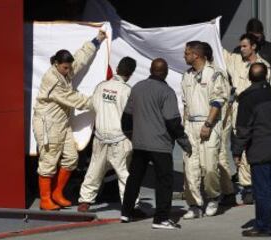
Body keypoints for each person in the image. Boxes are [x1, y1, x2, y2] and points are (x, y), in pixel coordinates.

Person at [32, 28, 107, 210]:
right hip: (48, 124)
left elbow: (79, 59)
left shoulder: (64, 71)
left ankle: (57, 193)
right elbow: (74, 99)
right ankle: (45, 199)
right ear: (56, 64)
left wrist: (96, 41)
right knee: (49, 161)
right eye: (65, 67)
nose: (68, 71)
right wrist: (98, 102)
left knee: (72, 158)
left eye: (68, 67)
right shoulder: (54, 80)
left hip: (62, 123)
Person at [120, 58, 192, 230]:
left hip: (140, 143)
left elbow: (126, 118)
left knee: (134, 178)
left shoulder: (137, 88)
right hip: (160, 144)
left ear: (151, 70)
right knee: (164, 181)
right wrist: (184, 142)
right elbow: (172, 121)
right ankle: (161, 219)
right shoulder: (166, 92)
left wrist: (132, 136)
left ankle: (126, 212)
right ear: (165, 72)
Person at [232, 63, 271, 237]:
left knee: (261, 190)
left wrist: (237, 152)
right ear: (266, 76)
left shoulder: (247, 98)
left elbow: (242, 129)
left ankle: (263, 227)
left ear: (250, 78)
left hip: (260, 150)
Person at [77, 57, 136, 212]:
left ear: (117, 69)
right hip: (120, 138)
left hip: (101, 136)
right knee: (124, 174)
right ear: (130, 74)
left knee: (94, 170)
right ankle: (131, 206)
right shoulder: (127, 90)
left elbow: (92, 105)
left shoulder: (101, 86)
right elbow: (132, 116)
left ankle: (85, 201)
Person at [224, 33, 271, 204]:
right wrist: (208, 29)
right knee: (241, 148)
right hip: (238, 109)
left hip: (256, 110)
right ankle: (247, 187)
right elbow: (219, 52)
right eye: (241, 46)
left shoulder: (263, 66)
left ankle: (256, 184)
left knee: (255, 147)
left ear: (253, 47)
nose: (241, 49)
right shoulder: (235, 60)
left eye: (245, 46)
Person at [182, 41, 228, 219]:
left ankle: (213, 197)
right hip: (190, 125)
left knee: (209, 166)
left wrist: (208, 125)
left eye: (187, 53)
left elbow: (218, 101)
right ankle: (194, 204)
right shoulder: (186, 75)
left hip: (209, 123)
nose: (184, 56)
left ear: (196, 55)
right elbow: (185, 104)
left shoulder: (215, 74)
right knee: (190, 168)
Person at [202, 42, 237, 206]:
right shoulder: (197, 74)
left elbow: (220, 102)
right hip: (205, 122)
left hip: (219, 122)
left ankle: (228, 192)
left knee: (220, 156)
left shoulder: (217, 74)